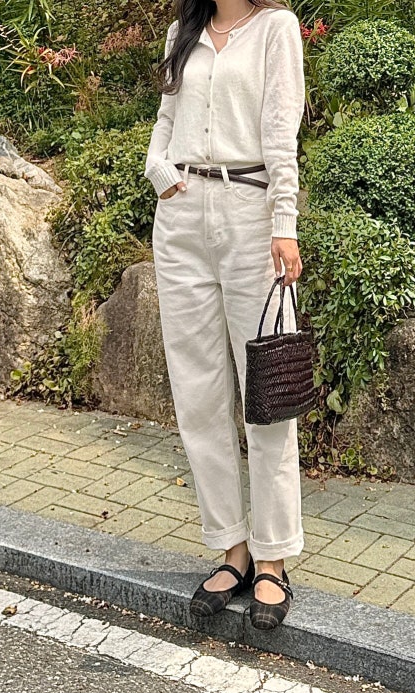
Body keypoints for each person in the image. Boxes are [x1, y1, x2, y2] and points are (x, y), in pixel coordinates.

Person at [144, 0, 305, 630]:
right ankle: (232, 549)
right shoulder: (181, 32)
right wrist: (159, 171)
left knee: (266, 394)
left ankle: (273, 558)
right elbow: (166, 118)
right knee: (198, 394)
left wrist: (284, 223)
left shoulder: (275, 29)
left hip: (250, 214)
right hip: (181, 219)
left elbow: (282, 130)